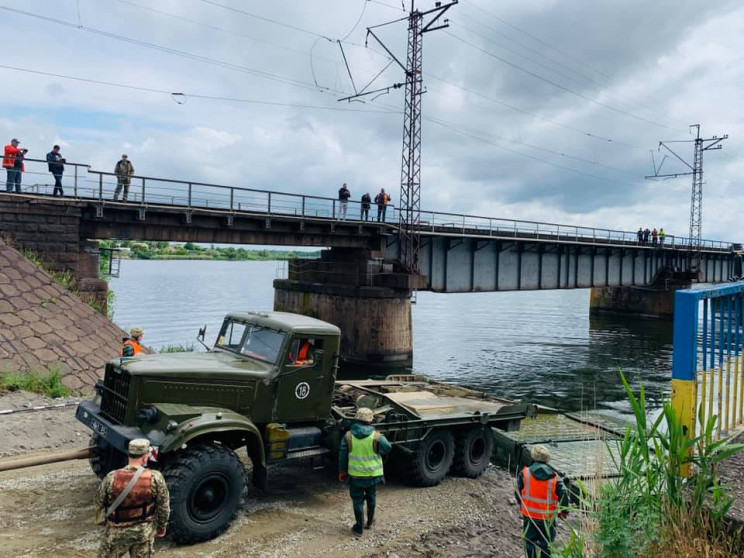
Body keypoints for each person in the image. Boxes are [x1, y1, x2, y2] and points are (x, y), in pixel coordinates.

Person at [94, 438, 170, 558]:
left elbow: (99, 502)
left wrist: (104, 521)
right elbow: (163, 507)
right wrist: (161, 527)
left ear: (129, 454)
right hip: (143, 533)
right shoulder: (155, 477)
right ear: (145, 457)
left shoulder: (111, 477)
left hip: (116, 533)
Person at [338, 407, 392, 536]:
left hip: (355, 476)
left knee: (357, 500)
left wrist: (342, 472)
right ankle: (369, 522)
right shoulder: (377, 435)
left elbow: (342, 456)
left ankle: (359, 528)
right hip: (373, 475)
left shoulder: (348, 436)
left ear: (356, 418)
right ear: (370, 420)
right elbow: (388, 448)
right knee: (371, 497)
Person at [517, 445, 569, 558]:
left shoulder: (525, 473)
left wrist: (521, 504)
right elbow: (564, 493)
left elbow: (518, 491)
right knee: (546, 544)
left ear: (533, 456)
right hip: (547, 518)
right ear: (547, 459)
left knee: (529, 542)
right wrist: (564, 511)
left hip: (529, 516)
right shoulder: (555, 477)